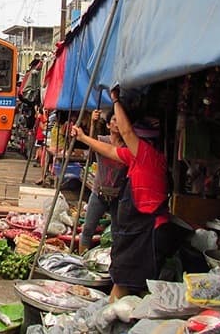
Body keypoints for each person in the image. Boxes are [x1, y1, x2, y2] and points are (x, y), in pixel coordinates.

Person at [70, 87, 176, 302]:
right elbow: (108, 150)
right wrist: (82, 136)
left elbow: (127, 133)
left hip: (146, 229)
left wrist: (116, 100)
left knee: (127, 281)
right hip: (137, 228)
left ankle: (113, 313)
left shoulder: (147, 155)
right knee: (128, 279)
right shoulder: (136, 157)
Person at [78, 109, 128, 255]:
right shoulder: (102, 141)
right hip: (99, 192)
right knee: (88, 229)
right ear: (108, 125)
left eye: (120, 121)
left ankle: (114, 260)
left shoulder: (127, 147)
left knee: (117, 232)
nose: (117, 124)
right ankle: (81, 258)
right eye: (114, 120)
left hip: (118, 196)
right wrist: (93, 122)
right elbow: (91, 141)